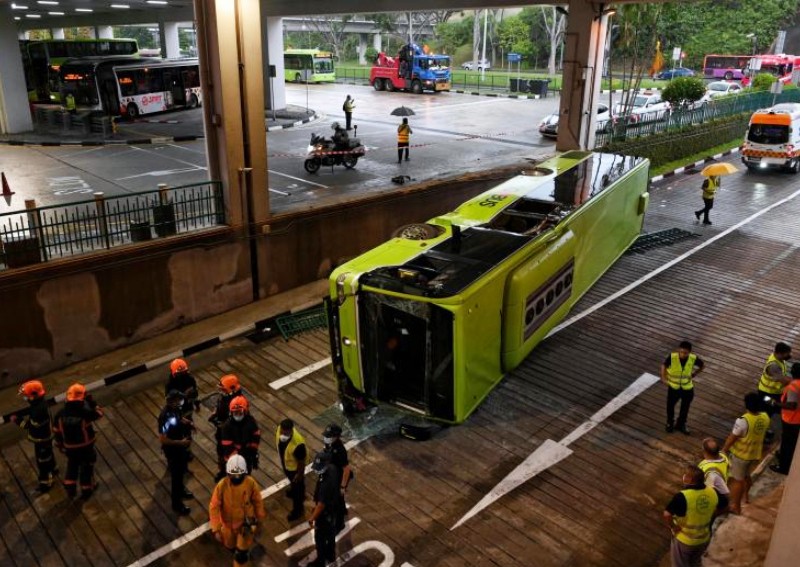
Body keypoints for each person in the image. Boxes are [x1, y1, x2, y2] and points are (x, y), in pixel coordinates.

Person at [209, 455, 266, 567]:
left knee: (241, 555)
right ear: (228, 473)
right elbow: (214, 507)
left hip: (245, 526)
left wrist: (259, 518)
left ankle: (242, 555)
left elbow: (257, 501)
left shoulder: (251, 483)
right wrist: (216, 528)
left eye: (239, 474)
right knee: (230, 547)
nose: (236, 477)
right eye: (233, 474)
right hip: (227, 528)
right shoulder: (222, 486)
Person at [663, 465, 725, 567]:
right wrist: (711, 517)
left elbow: (667, 514)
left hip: (685, 539)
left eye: (685, 475)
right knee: (695, 563)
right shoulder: (713, 492)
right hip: (704, 538)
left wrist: (673, 527)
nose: (683, 477)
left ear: (690, 479)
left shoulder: (683, 496)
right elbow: (723, 505)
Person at [722, 392, 770, 514]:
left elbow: (732, 438)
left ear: (746, 405)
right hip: (754, 454)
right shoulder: (765, 417)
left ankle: (736, 507)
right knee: (746, 476)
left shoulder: (743, 421)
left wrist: (724, 450)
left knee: (738, 481)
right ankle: (746, 497)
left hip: (741, 456)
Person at [53, 383, 103, 499]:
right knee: (86, 467)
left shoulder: (60, 414)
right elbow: (99, 414)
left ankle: (70, 488)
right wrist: (92, 403)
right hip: (86, 446)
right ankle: (87, 489)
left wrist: (60, 445)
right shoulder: (85, 412)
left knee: (72, 465)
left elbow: (57, 431)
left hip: (70, 447)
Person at [10, 380, 57, 492]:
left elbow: (29, 426)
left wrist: (17, 420)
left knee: (43, 462)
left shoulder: (37, 411)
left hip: (41, 439)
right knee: (48, 455)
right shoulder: (41, 403)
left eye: (26, 396)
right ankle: (54, 469)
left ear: (34, 395)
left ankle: (46, 483)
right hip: (46, 436)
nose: (25, 398)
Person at [158, 389, 194, 515]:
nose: (180, 402)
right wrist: (181, 443)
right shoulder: (165, 416)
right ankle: (177, 504)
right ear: (171, 401)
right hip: (173, 451)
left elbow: (179, 418)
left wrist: (188, 422)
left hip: (181, 447)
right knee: (176, 476)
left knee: (182, 471)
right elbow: (163, 439)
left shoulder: (176, 409)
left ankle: (181, 490)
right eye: (178, 400)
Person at [661, 341, 705, 434]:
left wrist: (694, 374)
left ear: (689, 352)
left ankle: (681, 424)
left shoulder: (693, 358)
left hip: (687, 387)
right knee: (670, 406)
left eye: (685, 353)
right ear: (678, 350)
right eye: (681, 352)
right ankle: (670, 423)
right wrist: (663, 378)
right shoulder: (672, 357)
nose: (682, 354)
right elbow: (664, 366)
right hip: (674, 387)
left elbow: (702, 365)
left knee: (685, 407)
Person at [308, 451, 341, 567]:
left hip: (324, 513)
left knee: (320, 538)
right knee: (331, 534)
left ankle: (320, 561)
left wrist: (312, 518)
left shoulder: (324, 484)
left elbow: (320, 505)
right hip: (333, 509)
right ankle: (331, 555)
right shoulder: (333, 469)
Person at [209, 374, 244, 481]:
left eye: (224, 389)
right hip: (221, 433)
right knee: (220, 453)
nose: (221, 392)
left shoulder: (238, 403)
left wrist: (222, 425)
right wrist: (215, 413)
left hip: (233, 436)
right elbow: (219, 404)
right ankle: (222, 471)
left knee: (232, 456)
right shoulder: (225, 397)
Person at [757, 342, 792, 441]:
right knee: (766, 414)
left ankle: (765, 431)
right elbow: (783, 380)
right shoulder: (773, 366)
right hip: (766, 395)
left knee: (774, 410)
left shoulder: (777, 357)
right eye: (787, 354)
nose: (789, 356)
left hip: (774, 393)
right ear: (780, 353)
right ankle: (762, 435)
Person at [770, 362, 800, 474]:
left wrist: (776, 403)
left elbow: (792, 405)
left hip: (791, 420)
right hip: (797, 419)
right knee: (790, 442)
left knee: (788, 444)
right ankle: (783, 455)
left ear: (792, 372)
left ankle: (783, 467)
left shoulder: (793, 387)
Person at [220, 395, 261, 474]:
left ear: (245, 411)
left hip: (247, 453)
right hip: (233, 456)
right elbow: (227, 445)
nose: (237, 414)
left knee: (247, 473)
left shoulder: (250, 421)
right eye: (235, 412)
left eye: (240, 412)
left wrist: (253, 452)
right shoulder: (227, 426)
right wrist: (236, 459)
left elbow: (256, 436)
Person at [276, 418, 307, 522]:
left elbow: (301, 462)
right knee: (295, 485)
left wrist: (299, 474)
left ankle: (298, 510)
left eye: (287, 432)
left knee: (298, 486)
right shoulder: (279, 429)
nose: (283, 433)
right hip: (287, 465)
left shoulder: (298, 444)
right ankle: (295, 491)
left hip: (295, 469)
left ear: (291, 430)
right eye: (282, 431)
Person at [323, 423, 352, 533]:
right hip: (333, 475)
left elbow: (346, 469)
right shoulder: (329, 444)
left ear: (337, 436)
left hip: (339, 478)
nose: (326, 438)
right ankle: (343, 510)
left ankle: (340, 524)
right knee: (339, 499)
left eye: (330, 436)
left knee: (337, 502)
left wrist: (342, 486)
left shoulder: (340, 450)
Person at [698, 437, 730, 513]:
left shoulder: (710, 472)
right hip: (722, 483)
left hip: (717, 493)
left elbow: (709, 491)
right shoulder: (723, 456)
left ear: (704, 451)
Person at [165, 358, 200, 423]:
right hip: (176, 408)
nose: (182, 375)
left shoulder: (190, 379)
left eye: (184, 372)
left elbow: (195, 393)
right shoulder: (170, 384)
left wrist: (197, 404)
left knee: (188, 419)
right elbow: (168, 399)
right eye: (180, 373)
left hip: (188, 406)